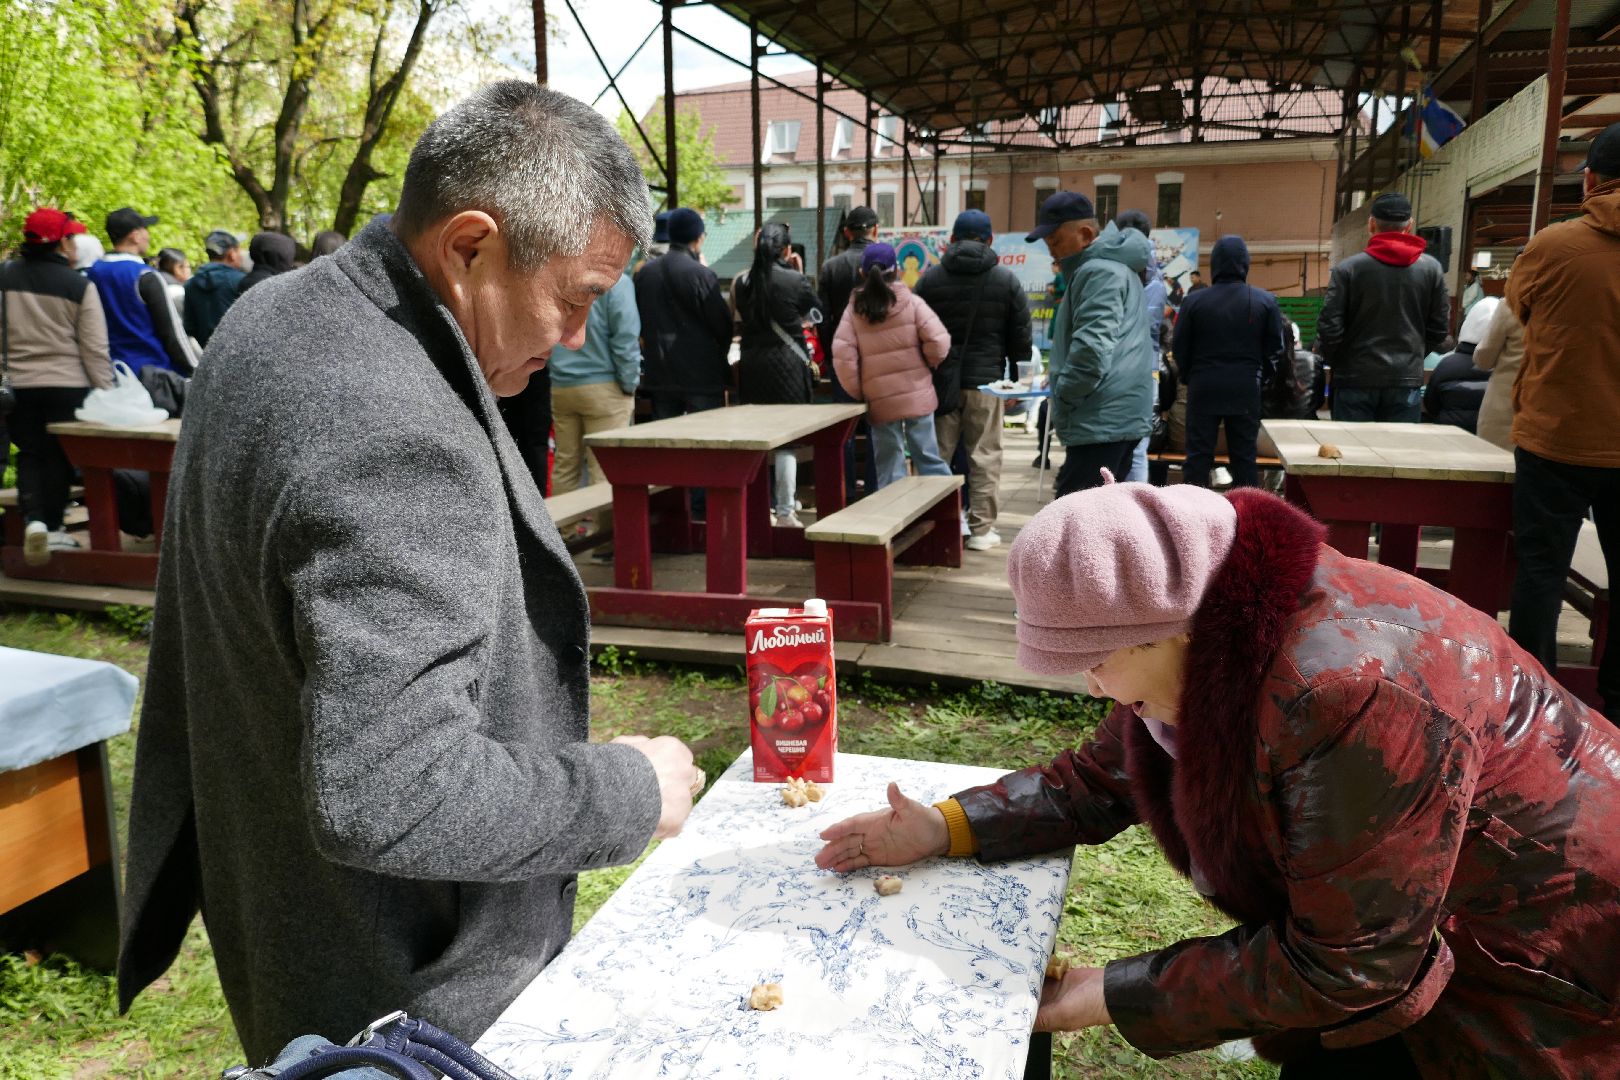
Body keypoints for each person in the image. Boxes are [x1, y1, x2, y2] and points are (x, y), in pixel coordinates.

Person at [117, 81, 702, 1063]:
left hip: (283, 907)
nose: (569, 341)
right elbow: (393, 795)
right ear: (469, 245)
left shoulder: (276, 313)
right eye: (574, 299)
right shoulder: (398, 433)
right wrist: (626, 793)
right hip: (408, 988)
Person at [815, 480, 1620, 1078]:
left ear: (1176, 626)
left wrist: (1111, 992)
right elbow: (1097, 779)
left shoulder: (1346, 690)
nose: (1093, 687)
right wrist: (945, 826)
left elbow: (1351, 962)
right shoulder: (1213, 634)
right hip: (1414, 952)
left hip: (1541, 964)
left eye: (1096, 662)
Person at [1503, 120, 1620, 723]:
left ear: (1592, 181)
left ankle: (1534, 707)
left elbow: (1520, 308)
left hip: (1556, 439)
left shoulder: (1552, 246)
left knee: (1541, 574)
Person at [913, 209, 1031, 550]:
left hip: (941, 385)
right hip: (987, 383)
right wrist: (1014, 381)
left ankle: (934, 525)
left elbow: (915, 331)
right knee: (985, 455)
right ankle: (981, 530)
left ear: (951, 240)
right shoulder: (1006, 280)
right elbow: (1020, 338)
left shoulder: (931, 279)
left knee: (937, 456)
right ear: (990, 240)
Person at [0, 208, 113, 564]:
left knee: (30, 453)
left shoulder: (4, 276)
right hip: (68, 384)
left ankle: (34, 521)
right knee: (60, 457)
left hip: (19, 385)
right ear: (61, 242)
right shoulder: (79, 285)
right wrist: (106, 392)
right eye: (72, 237)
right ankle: (53, 528)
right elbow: (94, 348)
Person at [1029, 192, 1154, 497]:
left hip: (1100, 419)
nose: (1053, 254)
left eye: (1056, 242)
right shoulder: (1116, 268)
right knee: (1103, 522)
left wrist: (1064, 396)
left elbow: (1091, 351)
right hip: (1116, 415)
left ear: (1085, 235)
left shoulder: (1097, 271)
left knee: (1075, 525)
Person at [1317, 192, 1449, 422]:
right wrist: (1413, 355)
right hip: (1404, 380)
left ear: (1371, 224)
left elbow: (1329, 327)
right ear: (1410, 225)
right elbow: (1438, 329)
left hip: (1354, 379)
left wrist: (1342, 361)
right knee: (1396, 455)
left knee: (1352, 455)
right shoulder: (1431, 269)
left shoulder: (1348, 269)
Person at [832, 243, 952, 489]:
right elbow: (939, 342)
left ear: (862, 273)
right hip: (917, 393)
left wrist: (862, 390)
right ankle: (950, 519)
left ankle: (895, 523)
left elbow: (843, 356)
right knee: (929, 458)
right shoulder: (912, 302)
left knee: (889, 466)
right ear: (896, 270)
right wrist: (928, 363)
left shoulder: (855, 310)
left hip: (880, 399)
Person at [1171, 235, 1284, 489]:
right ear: (1246, 264)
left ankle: (1193, 520)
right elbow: (1275, 349)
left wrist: (1190, 375)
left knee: (1198, 457)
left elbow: (1180, 347)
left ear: (1214, 264)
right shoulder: (1265, 301)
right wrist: (1260, 377)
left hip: (1203, 384)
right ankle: (1246, 518)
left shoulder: (1194, 301)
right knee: (1244, 457)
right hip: (1245, 386)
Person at [734, 223, 823, 527]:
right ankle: (785, 510)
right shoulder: (795, 280)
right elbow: (815, 314)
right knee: (787, 442)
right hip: (788, 364)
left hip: (753, 364)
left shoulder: (742, 282)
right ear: (786, 250)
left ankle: (760, 510)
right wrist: (799, 272)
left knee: (757, 438)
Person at [633, 207, 732, 421]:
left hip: (660, 372)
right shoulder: (702, 275)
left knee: (666, 444)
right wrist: (717, 355)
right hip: (702, 375)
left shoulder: (645, 274)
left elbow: (637, 321)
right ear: (698, 238)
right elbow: (723, 326)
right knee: (707, 443)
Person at [548, 268, 640, 499]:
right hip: (605, 387)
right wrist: (629, 384)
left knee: (566, 464)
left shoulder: (560, 278)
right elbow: (626, 338)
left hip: (562, 385)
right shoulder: (617, 282)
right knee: (604, 468)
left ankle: (564, 532)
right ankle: (605, 533)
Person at [84, 207, 198, 375]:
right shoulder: (145, 276)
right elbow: (172, 333)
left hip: (108, 372)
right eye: (145, 230)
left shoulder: (92, 272)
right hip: (152, 372)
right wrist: (196, 370)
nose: (148, 236)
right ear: (135, 235)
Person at [818, 206, 882, 500]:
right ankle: (873, 491)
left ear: (846, 232)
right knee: (877, 429)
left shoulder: (831, 267)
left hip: (842, 361)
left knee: (843, 429)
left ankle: (843, 491)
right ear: (876, 230)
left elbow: (822, 318)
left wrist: (833, 354)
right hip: (879, 361)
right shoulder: (884, 262)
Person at [1115, 210, 1166, 483]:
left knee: (1116, 451)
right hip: (1147, 371)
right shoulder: (1157, 279)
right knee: (1137, 449)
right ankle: (1138, 516)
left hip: (1116, 372)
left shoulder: (1112, 269)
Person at [1422, 297, 1497, 433]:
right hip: (1491, 439)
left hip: (1448, 436)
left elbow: (1431, 404)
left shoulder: (1447, 364)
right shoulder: (1505, 368)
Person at [1471, 270, 1525, 451]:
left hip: (1505, 404)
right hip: (1545, 406)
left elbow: (1484, 358)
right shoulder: (1565, 306)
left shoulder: (1511, 305)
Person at [183, 230, 246, 348]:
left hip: (206, 355)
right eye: (239, 249)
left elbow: (190, 327)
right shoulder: (240, 281)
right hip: (238, 353)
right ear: (232, 254)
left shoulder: (190, 284)